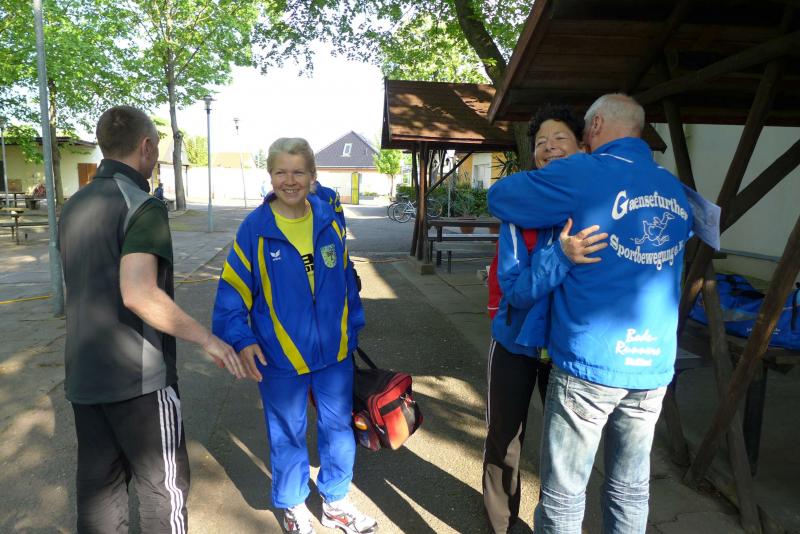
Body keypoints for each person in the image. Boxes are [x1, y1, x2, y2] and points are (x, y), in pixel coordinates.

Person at [488, 94, 693, 533]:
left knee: (565, 494)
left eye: (569, 135)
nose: (552, 148)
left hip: (591, 360)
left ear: (593, 128)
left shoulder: (586, 171)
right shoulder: (672, 185)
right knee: (630, 488)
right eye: (542, 142)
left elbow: (499, 195)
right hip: (652, 365)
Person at [58, 105, 245, 534]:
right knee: (164, 491)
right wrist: (208, 340)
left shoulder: (74, 205)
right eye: (157, 147)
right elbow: (139, 293)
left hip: (84, 376)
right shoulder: (142, 205)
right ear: (145, 147)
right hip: (138, 379)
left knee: (100, 492)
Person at [212, 137, 376, 534]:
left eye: (298, 172)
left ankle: (336, 502)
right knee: (287, 434)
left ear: (312, 176)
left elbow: (347, 281)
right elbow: (231, 294)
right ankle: (293, 505)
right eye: (281, 172)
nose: (290, 180)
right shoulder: (255, 230)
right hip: (279, 357)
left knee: (339, 431)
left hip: (334, 355)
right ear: (270, 176)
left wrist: (352, 328)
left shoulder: (330, 220)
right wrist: (243, 340)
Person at [483, 105, 608, 533]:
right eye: (541, 142)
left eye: (560, 139)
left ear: (583, 148)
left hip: (568, 348)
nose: (549, 147)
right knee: (504, 439)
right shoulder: (518, 212)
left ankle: (555, 524)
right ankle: (501, 524)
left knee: (564, 451)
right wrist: (560, 256)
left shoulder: (599, 208)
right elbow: (515, 290)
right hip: (515, 342)